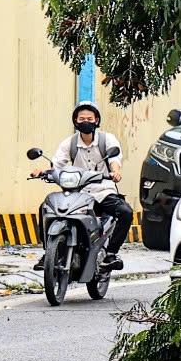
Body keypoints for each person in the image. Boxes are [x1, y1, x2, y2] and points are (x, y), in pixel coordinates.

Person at [35, 102, 127, 271]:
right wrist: (43, 171)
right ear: (75, 121)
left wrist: (114, 172)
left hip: (103, 191)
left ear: (96, 120)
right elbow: (57, 164)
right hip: (78, 192)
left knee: (125, 212)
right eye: (82, 118)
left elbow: (115, 160)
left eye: (89, 118)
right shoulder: (69, 143)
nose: (86, 121)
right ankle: (48, 252)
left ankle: (111, 254)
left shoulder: (107, 139)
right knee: (45, 208)